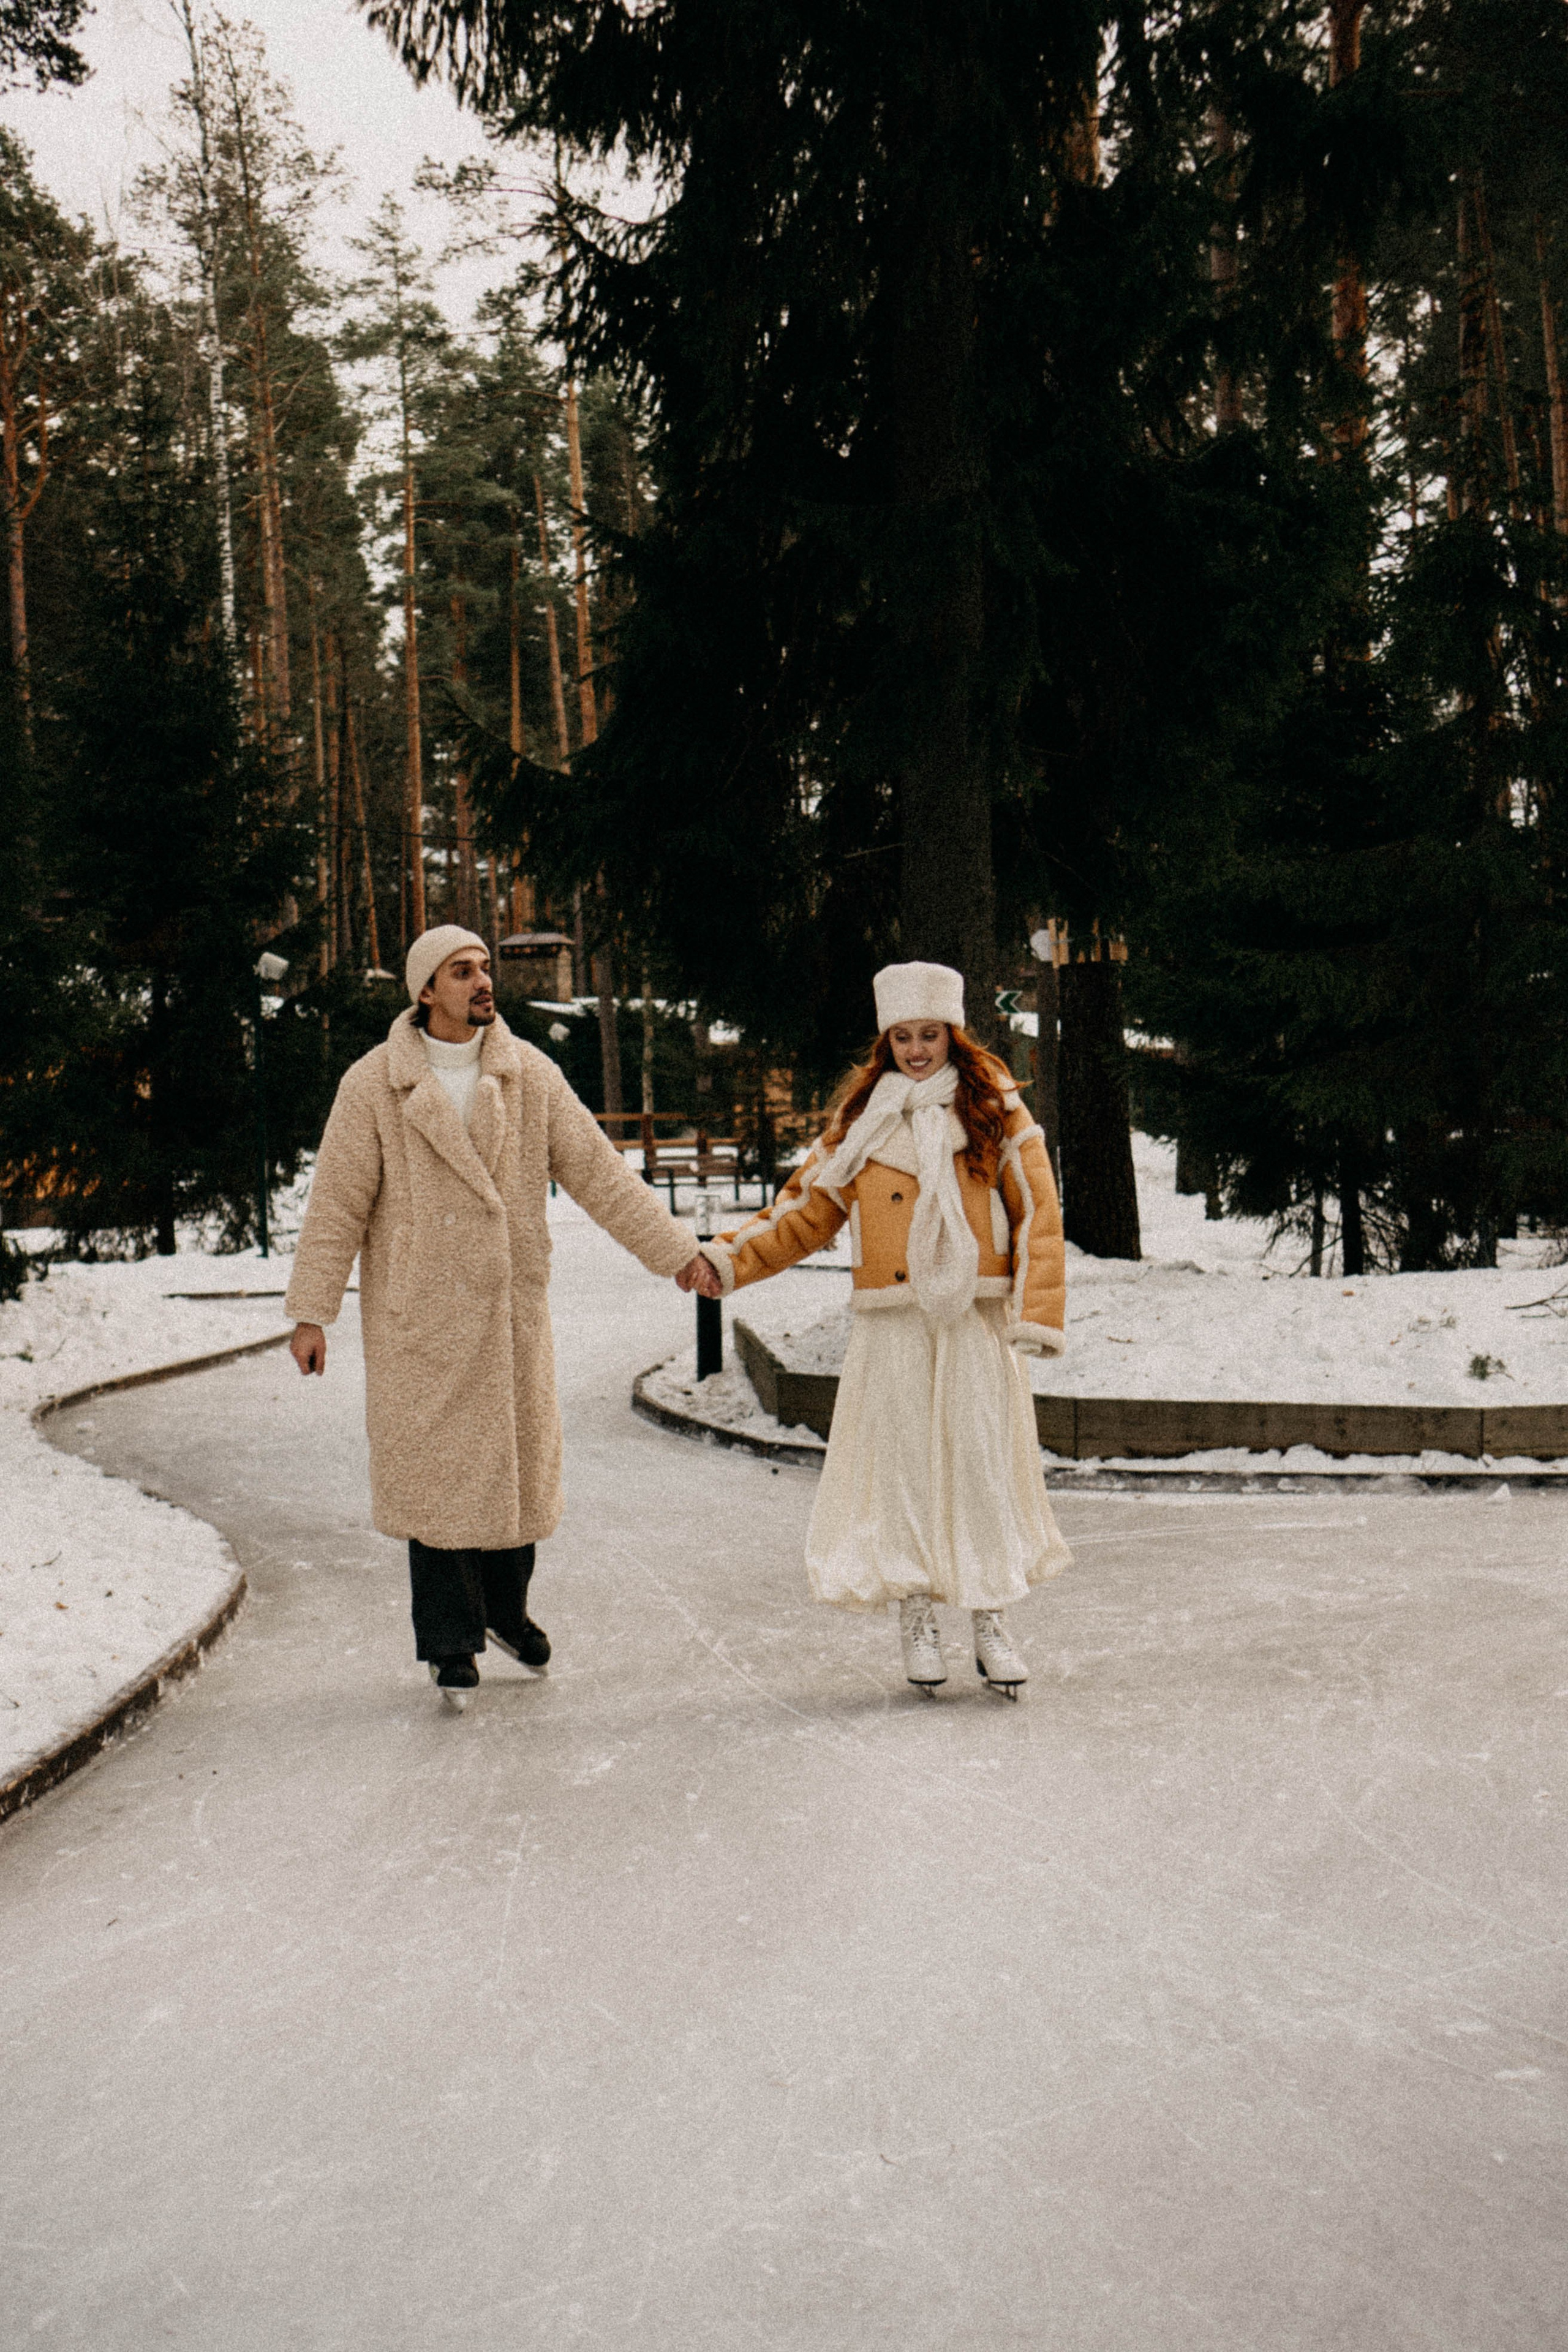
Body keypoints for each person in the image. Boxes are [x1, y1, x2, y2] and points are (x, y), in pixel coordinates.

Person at [285, 924, 716, 1711]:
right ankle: (451, 1642)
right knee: (437, 1480)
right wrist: (312, 1313)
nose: (483, 982)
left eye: (484, 968)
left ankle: (507, 1614)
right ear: (426, 991)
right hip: (421, 1320)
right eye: (462, 971)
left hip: (508, 1310)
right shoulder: (375, 1084)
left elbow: (602, 1177)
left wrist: (677, 1254)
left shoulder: (530, 1076)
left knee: (513, 1469)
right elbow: (336, 1206)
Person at [682, 960, 1069, 1697]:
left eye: (929, 1035)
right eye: (902, 1037)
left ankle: (988, 1616)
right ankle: (917, 1614)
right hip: (893, 1324)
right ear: (886, 1041)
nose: (917, 1050)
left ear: (952, 1034)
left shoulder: (997, 1112)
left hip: (973, 1319)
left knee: (978, 1466)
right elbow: (802, 1215)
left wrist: (1036, 1314)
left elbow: (1038, 1214)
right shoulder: (861, 1125)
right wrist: (726, 1261)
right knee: (904, 1471)